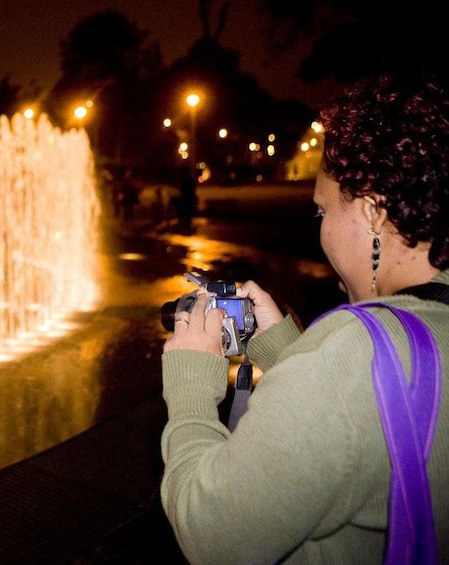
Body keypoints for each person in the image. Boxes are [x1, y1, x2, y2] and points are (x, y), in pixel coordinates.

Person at [160, 74, 449, 563]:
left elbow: (211, 535)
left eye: (322, 211)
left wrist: (191, 391)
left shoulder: (348, 353)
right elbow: (373, 420)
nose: (322, 230)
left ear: (374, 212)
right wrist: (288, 351)